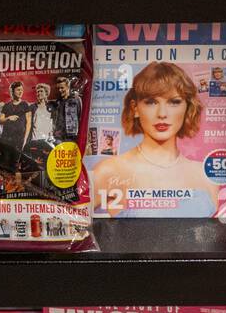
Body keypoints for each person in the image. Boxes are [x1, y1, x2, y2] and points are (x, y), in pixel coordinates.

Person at [88, 62, 218, 217]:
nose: (162, 113)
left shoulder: (206, 175)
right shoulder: (110, 171)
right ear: (135, 108)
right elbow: (73, 225)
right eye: (151, 102)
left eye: (174, 102)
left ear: (188, 107)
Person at [0, 82, 32, 172]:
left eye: (21, 89)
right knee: (5, 164)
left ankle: (15, 185)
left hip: (19, 140)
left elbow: (29, 123)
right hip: (6, 140)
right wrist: (8, 118)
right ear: (13, 91)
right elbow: (0, 120)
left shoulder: (25, 105)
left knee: (16, 166)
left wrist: (25, 140)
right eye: (18, 90)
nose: (20, 91)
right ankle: (5, 185)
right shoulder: (7, 106)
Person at [50, 74, 82, 141]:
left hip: (71, 136)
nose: (60, 90)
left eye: (62, 88)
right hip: (59, 136)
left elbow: (80, 116)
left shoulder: (75, 99)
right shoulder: (58, 102)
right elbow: (55, 119)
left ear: (68, 87)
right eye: (58, 88)